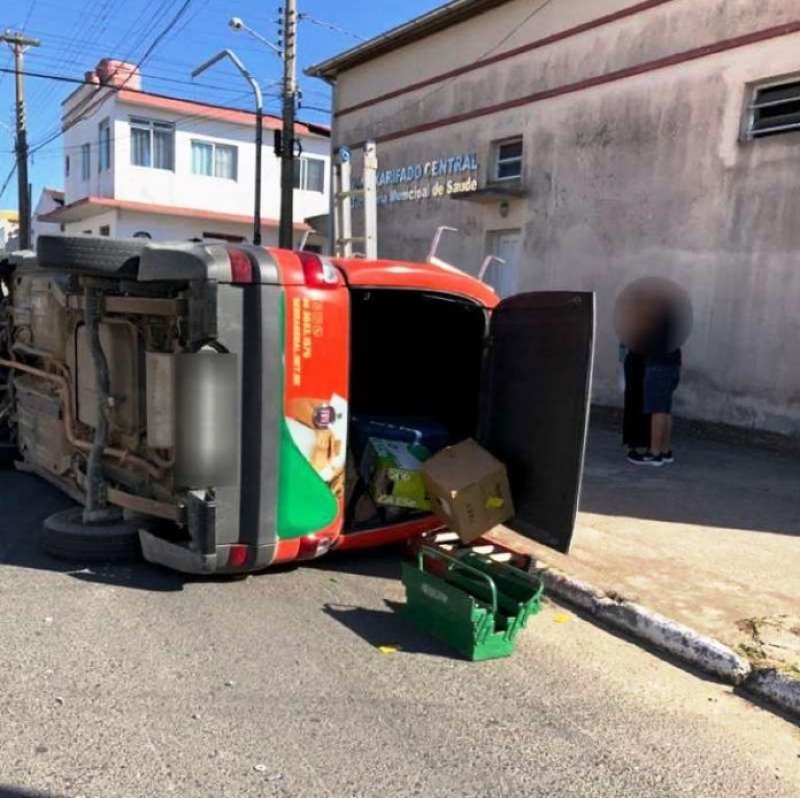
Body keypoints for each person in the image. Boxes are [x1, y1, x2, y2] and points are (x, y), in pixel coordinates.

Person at [627, 297, 681, 467]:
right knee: (665, 410)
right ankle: (665, 451)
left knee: (657, 410)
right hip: (672, 365)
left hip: (658, 366)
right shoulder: (671, 324)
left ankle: (654, 453)